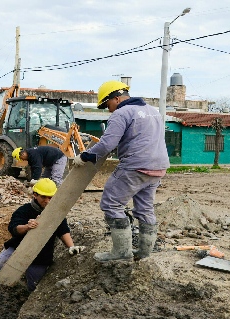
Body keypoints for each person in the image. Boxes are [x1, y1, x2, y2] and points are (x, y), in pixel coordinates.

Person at [73, 80, 170, 262]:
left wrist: (86, 156)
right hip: (158, 167)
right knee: (145, 210)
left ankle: (121, 253)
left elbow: (107, 144)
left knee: (111, 204)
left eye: (107, 105)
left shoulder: (122, 113)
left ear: (116, 98)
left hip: (135, 165)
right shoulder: (152, 111)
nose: (108, 110)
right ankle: (144, 253)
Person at [0, 178, 85, 314]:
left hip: (41, 255)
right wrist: (27, 227)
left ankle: (30, 315)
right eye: (44, 197)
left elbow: (63, 231)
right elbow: (13, 228)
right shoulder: (24, 210)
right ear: (35, 195)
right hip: (18, 249)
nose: (47, 201)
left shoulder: (56, 213)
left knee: (34, 286)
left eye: (51, 197)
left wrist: (71, 246)